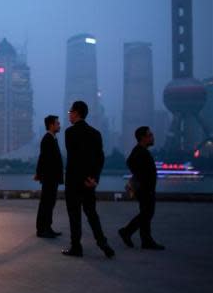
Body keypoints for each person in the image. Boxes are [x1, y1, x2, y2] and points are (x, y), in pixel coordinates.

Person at [62, 101, 114, 258]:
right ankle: (103, 243)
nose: (69, 115)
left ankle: (76, 247)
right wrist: (93, 178)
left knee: (74, 215)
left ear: (76, 113)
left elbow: (75, 158)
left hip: (73, 181)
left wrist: (82, 176)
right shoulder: (95, 133)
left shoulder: (69, 132)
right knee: (92, 213)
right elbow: (100, 158)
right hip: (89, 182)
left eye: (70, 112)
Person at [119, 127, 165, 250]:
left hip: (146, 188)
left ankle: (146, 240)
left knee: (146, 214)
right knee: (147, 213)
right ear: (143, 137)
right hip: (145, 189)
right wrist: (140, 178)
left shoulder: (142, 150)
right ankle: (126, 231)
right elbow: (130, 162)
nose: (152, 137)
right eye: (150, 135)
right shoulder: (139, 151)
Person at [34, 115, 63, 238]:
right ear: (51, 125)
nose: (59, 125)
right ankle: (42, 229)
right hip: (49, 178)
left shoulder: (52, 138)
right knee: (46, 203)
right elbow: (43, 158)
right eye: (57, 123)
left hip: (52, 177)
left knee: (49, 203)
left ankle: (47, 227)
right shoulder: (47, 139)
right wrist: (39, 174)